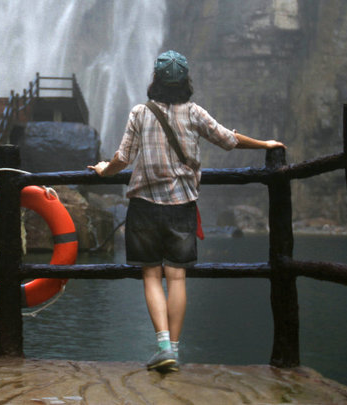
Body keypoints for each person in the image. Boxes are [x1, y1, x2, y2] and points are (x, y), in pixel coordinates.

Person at [88, 50, 285, 373]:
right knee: (177, 276)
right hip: (182, 206)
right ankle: (174, 351)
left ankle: (162, 346)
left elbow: (123, 158)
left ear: (156, 80)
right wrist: (266, 145)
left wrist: (102, 171)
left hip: (144, 206)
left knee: (151, 274)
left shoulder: (140, 112)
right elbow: (229, 139)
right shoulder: (194, 113)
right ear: (185, 81)